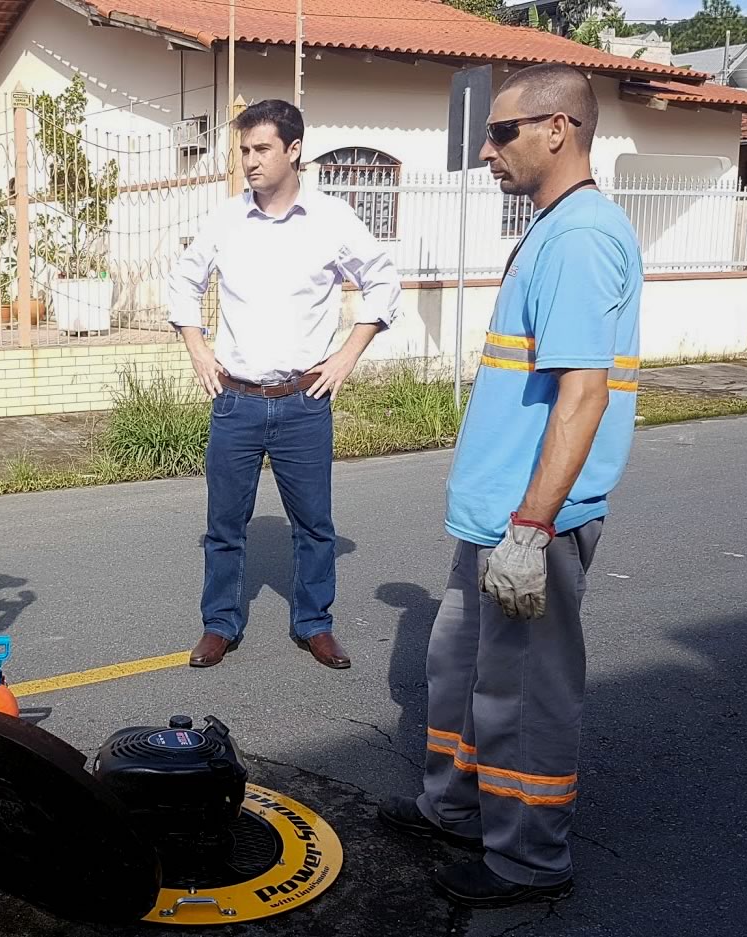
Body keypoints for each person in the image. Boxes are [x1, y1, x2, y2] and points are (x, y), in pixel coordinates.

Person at [376, 63, 643, 909]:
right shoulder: (551, 227)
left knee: (523, 692)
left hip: (533, 521)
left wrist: (531, 530)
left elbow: (582, 394)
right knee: (458, 671)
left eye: (501, 133)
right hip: (494, 514)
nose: (485, 150)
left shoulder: (579, 237)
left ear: (558, 129)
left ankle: (528, 858)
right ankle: (454, 808)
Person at [168, 100, 402, 670]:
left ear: (293, 150)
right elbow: (183, 280)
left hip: (303, 402)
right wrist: (198, 348)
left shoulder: (331, 219)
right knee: (223, 527)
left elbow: (382, 278)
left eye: (261, 149)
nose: (249, 161)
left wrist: (347, 355)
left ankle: (314, 624)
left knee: (315, 527)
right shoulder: (226, 219)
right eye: (243, 150)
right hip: (236, 401)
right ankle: (220, 625)